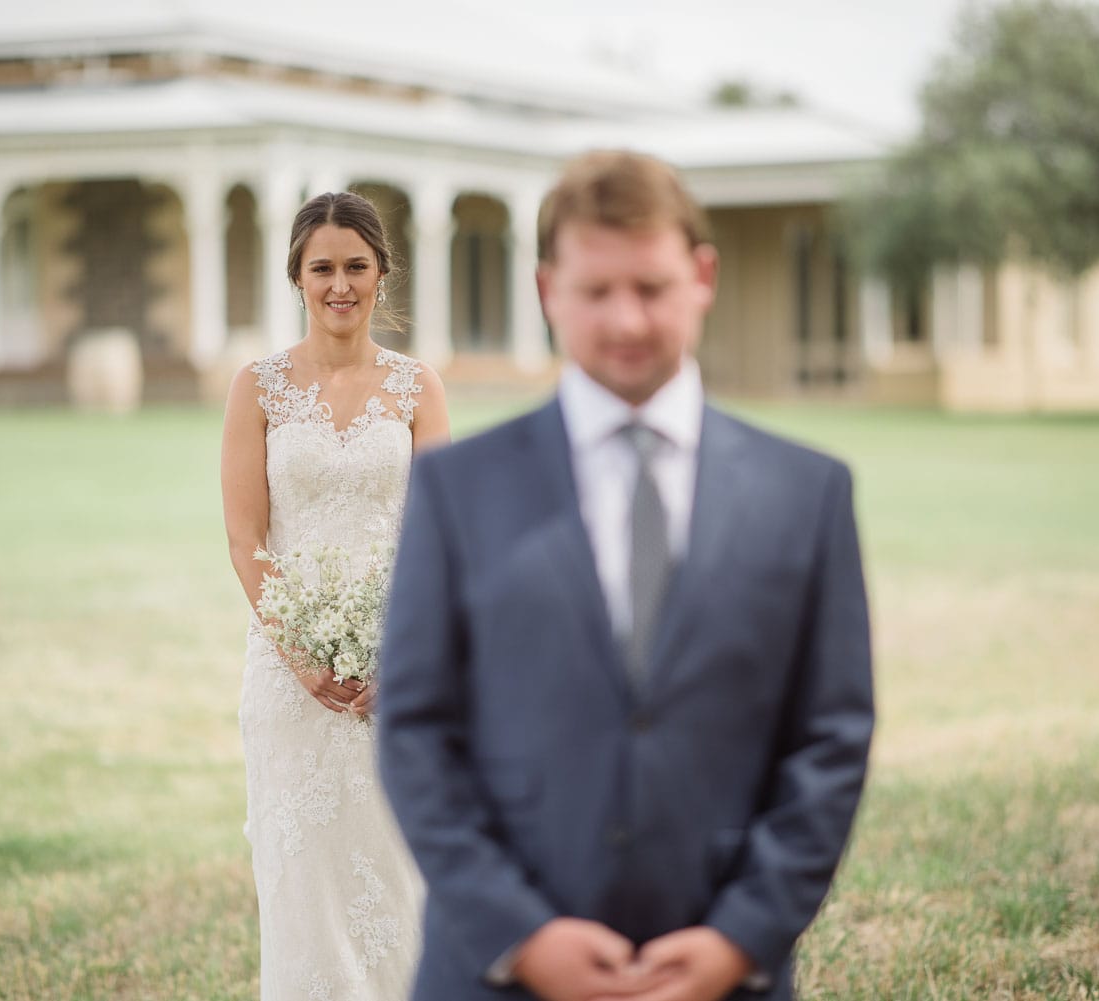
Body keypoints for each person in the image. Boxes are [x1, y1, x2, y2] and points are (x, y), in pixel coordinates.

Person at [377, 151, 873, 1001]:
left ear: (702, 276)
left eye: (651, 286)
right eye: (596, 291)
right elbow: (417, 730)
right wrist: (521, 933)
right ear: (547, 290)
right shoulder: (459, 488)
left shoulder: (808, 494)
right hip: (498, 975)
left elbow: (829, 739)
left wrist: (739, 936)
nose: (627, 320)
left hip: (722, 968)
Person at [221, 190, 449, 1000]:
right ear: (298, 276)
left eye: (357, 265)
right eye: (324, 267)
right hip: (289, 685)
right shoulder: (259, 388)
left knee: (399, 884)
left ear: (382, 274)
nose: (340, 284)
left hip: (398, 680)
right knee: (304, 893)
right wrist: (303, 657)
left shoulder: (418, 387)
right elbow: (246, 537)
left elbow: (441, 539)